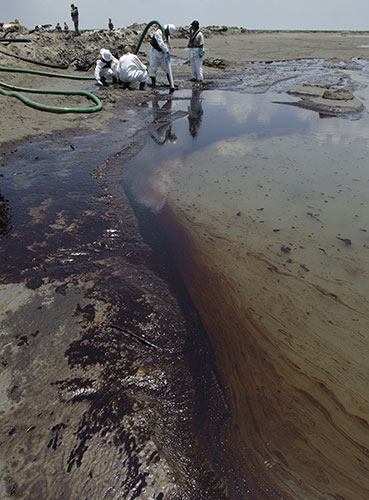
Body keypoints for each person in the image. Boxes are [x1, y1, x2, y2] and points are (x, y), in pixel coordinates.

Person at [149, 24, 176, 89]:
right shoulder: (159, 32)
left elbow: (167, 44)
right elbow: (160, 43)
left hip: (162, 53)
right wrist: (166, 50)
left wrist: (168, 50)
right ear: (167, 29)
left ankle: (171, 84)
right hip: (154, 52)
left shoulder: (167, 35)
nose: (169, 34)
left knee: (167, 68)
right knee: (153, 68)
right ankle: (153, 84)